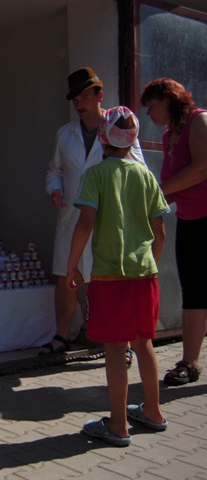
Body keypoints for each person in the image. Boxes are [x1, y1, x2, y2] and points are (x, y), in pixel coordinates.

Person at [67, 106, 170, 446]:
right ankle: (153, 411)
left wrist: (72, 265)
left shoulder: (96, 175)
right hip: (144, 274)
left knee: (115, 349)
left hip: (110, 276)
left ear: (102, 137)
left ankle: (118, 424)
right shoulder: (146, 176)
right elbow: (160, 230)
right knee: (143, 343)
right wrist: (150, 263)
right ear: (134, 139)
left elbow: (85, 223)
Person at [42, 67, 146, 356]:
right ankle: (62, 335)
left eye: (85, 97)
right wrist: (55, 188)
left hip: (106, 219)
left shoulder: (118, 127)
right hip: (72, 216)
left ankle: (121, 341)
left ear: (100, 96)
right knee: (65, 276)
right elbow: (54, 170)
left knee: (107, 279)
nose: (80, 104)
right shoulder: (65, 134)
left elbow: (137, 167)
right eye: (76, 99)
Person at [140, 78, 207, 386]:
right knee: (194, 292)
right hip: (190, 221)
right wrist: (141, 211)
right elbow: (172, 189)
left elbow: (201, 168)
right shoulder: (169, 136)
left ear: (167, 100)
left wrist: (158, 192)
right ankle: (189, 364)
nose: (149, 115)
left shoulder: (199, 121)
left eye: (152, 106)